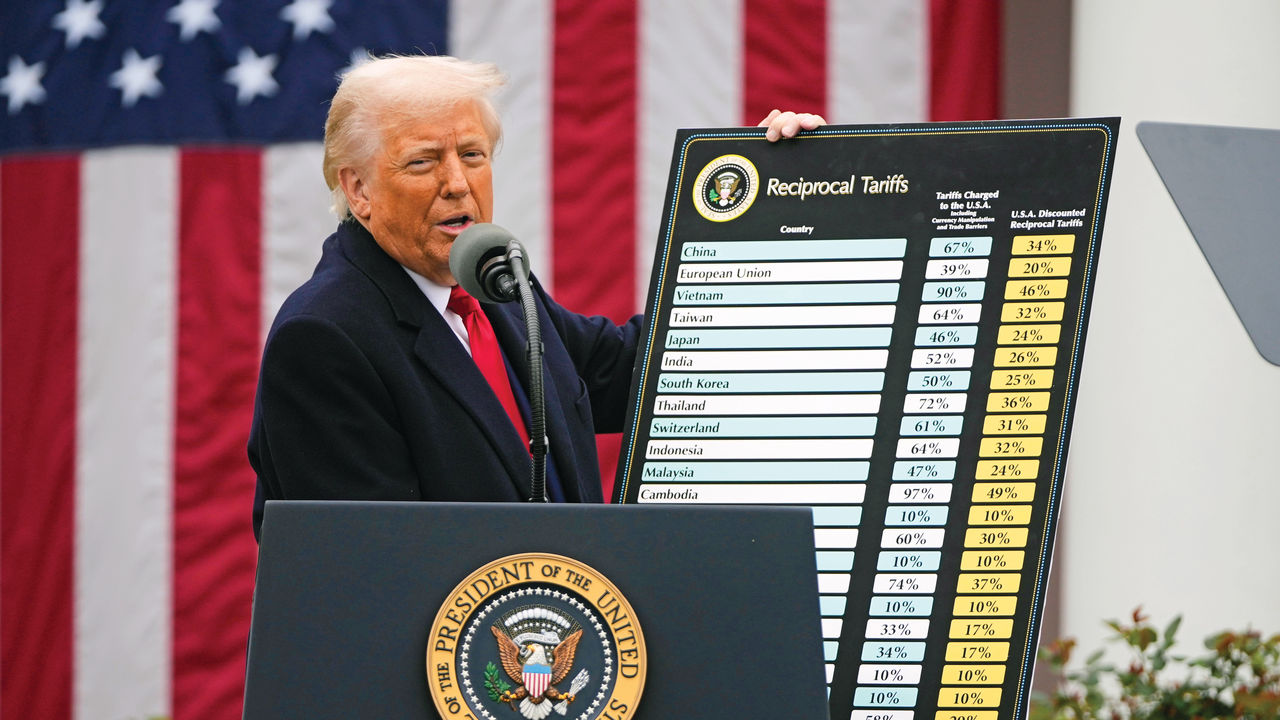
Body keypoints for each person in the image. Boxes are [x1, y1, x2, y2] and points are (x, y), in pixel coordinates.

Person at [248, 54, 824, 540]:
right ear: (358, 188)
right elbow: (373, 572)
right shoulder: (324, 337)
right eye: (423, 161)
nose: (457, 182)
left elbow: (641, 372)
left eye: (472, 155)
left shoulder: (491, 286)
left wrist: (778, 206)